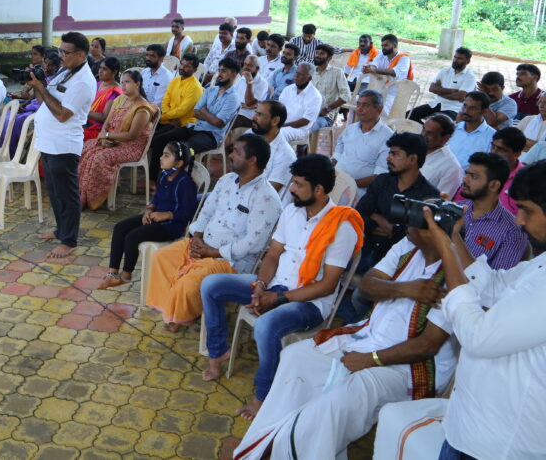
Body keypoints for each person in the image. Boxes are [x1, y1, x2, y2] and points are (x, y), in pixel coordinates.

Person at [234, 227, 457, 460]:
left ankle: (287, 446)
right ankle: (269, 441)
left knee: (336, 403)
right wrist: (406, 289)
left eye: (419, 220)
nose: (408, 224)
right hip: (366, 339)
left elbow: (428, 345)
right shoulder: (407, 246)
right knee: (295, 356)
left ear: (437, 232)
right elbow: (366, 286)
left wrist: (370, 360)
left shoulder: (454, 273)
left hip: (407, 368)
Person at [199, 154, 363, 420]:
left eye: (299, 184)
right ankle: (218, 351)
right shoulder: (292, 211)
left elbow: (327, 286)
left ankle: (263, 397)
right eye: (293, 182)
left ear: (319, 190)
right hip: (275, 286)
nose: (292, 189)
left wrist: (278, 298)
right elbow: (273, 254)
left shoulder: (341, 227)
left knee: (265, 326)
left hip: (308, 302)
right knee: (212, 285)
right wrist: (261, 286)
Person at [417, 161, 546, 460]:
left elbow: (478, 336)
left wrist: (444, 248)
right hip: (474, 427)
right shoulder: (541, 263)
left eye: (527, 211)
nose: (519, 221)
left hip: (500, 444)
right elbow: (492, 285)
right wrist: (454, 237)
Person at [145, 134, 281, 330]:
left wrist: (212, 252)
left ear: (252, 160)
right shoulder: (226, 180)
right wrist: (197, 237)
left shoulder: (267, 198)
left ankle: (183, 315)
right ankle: (175, 310)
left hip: (229, 261)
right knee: (161, 258)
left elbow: (253, 244)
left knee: (187, 283)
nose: (230, 155)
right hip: (202, 245)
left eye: (236, 152)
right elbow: (206, 211)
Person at [29, 31, 97, 258]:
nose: (60, 56)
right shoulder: (65, 71)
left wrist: (41, 87)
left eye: (65, 52)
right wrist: (37, 85)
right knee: (54, 190)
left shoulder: (83, 81)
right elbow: (45, 101)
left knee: (67, 194)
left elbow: (62, 114)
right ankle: (61, 230)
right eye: (60, 50)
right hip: (48, 141)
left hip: (64, 144)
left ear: (81, 55)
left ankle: (69, 240)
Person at [98, 141, 198, 289]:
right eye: (162, 154)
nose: (161, 158)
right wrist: (149, 209)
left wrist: (167, 215)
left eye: (166, 156)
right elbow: (157, 198)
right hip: (156, 217)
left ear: (178, 163)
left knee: (132, 236)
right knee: (120, 227)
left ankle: (125, 276)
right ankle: (112, 273)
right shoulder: (164, 175)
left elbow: (189, 212)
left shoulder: (185, 183)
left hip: (171, 227)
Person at [354, 133, 439, 274]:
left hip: (398, 261)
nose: (388, 158)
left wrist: (375, 216)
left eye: (395, 154)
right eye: (389, 153)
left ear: (412, 159)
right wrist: (388, 227)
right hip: (365, 246)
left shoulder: (428, 196)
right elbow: (360, 213)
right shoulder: (382, 181)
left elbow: (411, 238)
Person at [78, 70, 157, 211]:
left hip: (131, 147)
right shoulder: (120, 100)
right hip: (113, 140)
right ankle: (80, 194)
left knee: (99, 158)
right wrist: (103, 137)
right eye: (122, 82)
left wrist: (107, 136)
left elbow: (131, 136)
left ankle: (92, 198)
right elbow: (106, 123)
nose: (123, 86)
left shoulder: (142, 108)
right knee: (86, 148)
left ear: (137, 84)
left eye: (127, 82)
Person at [149, 57, 239, 175]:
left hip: (211, 136)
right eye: (219, 70)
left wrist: (204, 111)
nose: (219, 74)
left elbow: (219, 123)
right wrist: (209, 116)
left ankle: (181, 180)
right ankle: (153, 178)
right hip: (194, 127)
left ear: (234, 74)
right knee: (159, 140)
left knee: (183, 149)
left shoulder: (233, 98)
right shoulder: (211, 90)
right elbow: (196, 112)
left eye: (224, 71)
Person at [452, 151, 527, 270]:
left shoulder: (512, 231)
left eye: (474, 176)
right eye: (467, 174)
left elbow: (496, 279)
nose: (465, 179)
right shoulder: (454, 209)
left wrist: (455, 236)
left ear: (494, 185)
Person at [331, 90, 393, 196]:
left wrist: (348, 184)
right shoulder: (351, 129)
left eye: (365, 105)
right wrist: (329, 167)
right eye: (358, 104)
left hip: (358, 191)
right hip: (335, 182)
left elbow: (379, 176)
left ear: (378, 109)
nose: (359, 109)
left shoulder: (388, 137)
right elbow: (339, 152)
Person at [8, 51, 61, 157]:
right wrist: (25, 104)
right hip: (34, 105)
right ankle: (6, 148)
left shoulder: (56, 80)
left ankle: (13, 152)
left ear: (56, 67)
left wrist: (39, 86)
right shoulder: (40, 75)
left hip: (44, 108)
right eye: (45, 63)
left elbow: (45, 102)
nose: (47, 67)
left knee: (17, 120)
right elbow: (33, 97)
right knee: (8, 116)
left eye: (51, 65)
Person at [149, 53, 204, 155]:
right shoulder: (175, 81)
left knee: (157, 139)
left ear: (195, 70)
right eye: (182, 64)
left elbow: (182, 111)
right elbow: (165, 100)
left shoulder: (195, 88)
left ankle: (159, 164)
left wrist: (163, 117)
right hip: (170, 120)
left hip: (183, 124)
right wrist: (167, 117)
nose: (182, 68)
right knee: (146, 131)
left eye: (187, 66)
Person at [408, 47, 475, 123]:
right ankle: (424, 129)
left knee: (435, 122)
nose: (455, 60)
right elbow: (432, 88)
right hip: (437, 103)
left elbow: (460, 96)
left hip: (454, 108)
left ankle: (427, 129)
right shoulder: (445, 71)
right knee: (408, 115)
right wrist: (451, 91)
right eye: (455, 57)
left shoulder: (470, 77)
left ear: (467, 61)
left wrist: (440, 93)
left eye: (459, 58)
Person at [246, 101, 296, 199]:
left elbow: (267, 194)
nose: (254, 117)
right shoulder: (249, 135)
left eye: (259, 114)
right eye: (255, 113)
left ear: (275, 121)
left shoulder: (286, 155)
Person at [483, 126, 528, 216]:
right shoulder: (482, 169)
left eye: (500, 149)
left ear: (517, 154)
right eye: (492, 146)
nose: (493, 152)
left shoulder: (526, 181)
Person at [447, 91, 495, 168]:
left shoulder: (492, 137)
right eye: (465, 106)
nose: (466, 111)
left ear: (484, 111)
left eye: (472, 108)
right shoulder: (453, 129)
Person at [277, 62, 322, 143]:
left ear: (309, 78)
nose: (296, 76)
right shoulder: (288, 89)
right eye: (296, 73)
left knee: (278, 134)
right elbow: (279, 109)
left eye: (301, 74)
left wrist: (282, 126)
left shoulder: (315, 96)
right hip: (282, 124)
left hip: (299, 129)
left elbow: (305, 121)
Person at [420, 114, 464, 197]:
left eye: (430, 133)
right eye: (423, 129)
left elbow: (439, 201)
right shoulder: (413, 149)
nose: (423, 135)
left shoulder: (452, 168)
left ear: (445, 138)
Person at [311, 43, 350, 133]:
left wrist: (327, 109)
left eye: (322, 54)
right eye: (317, 53)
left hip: (325, 116)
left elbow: (346, 95)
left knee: (308, 127)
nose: (317, 55)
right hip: (307, 112)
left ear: (329, 58)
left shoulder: (337, 72)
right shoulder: (311, 72)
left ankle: (306, 143)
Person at [82, 56, 122, 141]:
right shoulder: (97, 84)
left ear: (114, 72)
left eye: (105, 69)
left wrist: (81, 110)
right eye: (100, 67)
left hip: (98, 130)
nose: (100, 71)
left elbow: (104, 117)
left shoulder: (115, 92)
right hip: (84, 123)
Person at [230, 55, 270, 130]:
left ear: (257, 69)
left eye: (250, 65)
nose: (246, 67)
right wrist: (242, 105)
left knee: (227, 121)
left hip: (247, 116)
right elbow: (231, 96)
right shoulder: (242, 78)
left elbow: (249, 103)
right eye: (245, 64)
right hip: (234, 110)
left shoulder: (263, 83)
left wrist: (249, 82)